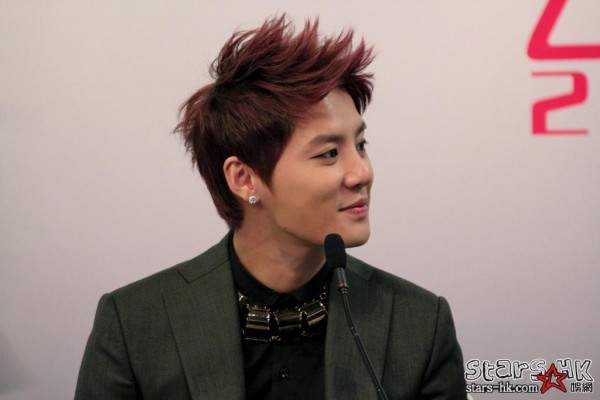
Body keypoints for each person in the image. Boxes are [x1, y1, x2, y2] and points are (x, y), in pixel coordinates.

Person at [75, 14, 467, 400]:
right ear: (244, 179)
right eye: (329, 153)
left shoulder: (420, 325)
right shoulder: (135, 325)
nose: (362, 172)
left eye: (361, 145)